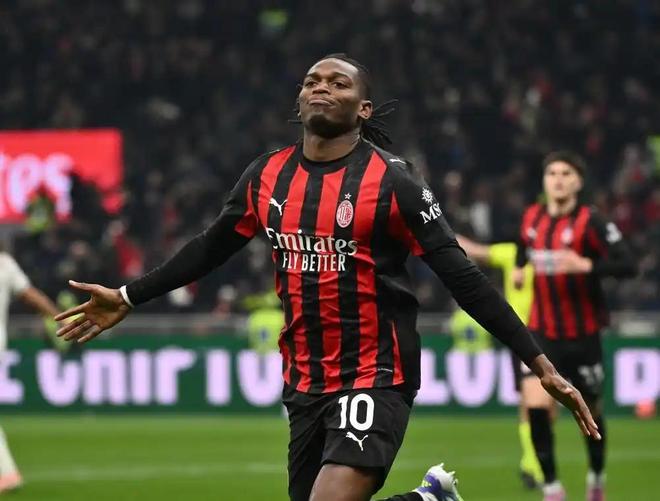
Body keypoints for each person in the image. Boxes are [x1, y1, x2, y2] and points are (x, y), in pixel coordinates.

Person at [55, 55, 599, 501]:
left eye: (338, 83)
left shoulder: (395, 182)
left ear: (363, 109)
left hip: (376, 371)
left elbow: (464, 277)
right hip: (305, 380)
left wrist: (540, 363)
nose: (321, 87)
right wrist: (128, 295)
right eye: (312, 81)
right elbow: (210, 247)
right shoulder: (266, 175)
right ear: (299, 101)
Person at [513, 151, 636, 501]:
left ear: (578, 182)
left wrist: (587, 266)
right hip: (541, 334)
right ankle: (552, 488)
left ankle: (596, 476)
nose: (558, 179)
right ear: (544, 180)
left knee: (591, 411)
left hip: (582, 337)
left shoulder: (591, 222)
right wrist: (521, 267)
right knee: (536, 406)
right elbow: (524, 245)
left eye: (566, 173)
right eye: (552, 173)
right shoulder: (532, 217)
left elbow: (628, 265)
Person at [456, 234, 545, 489]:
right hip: (524, 336)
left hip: (548, 333)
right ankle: (533, 464)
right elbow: (477, 251)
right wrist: (439, 228)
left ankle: (532, 462)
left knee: (540, 404)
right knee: (530, 402)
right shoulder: (511, 253)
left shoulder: (549, 257)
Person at [0, 251, 61, 493]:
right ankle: (7, 473)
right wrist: (58, 316)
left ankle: (7, 473)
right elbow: (30, 295)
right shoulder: (5, 263)